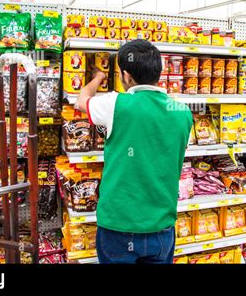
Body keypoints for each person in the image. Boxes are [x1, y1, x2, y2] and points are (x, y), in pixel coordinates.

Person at [75, 39, 193, 264]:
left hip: (118, 226)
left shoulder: (115, 103)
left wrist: (98, 77)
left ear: (126, 75)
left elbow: (82, 102)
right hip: (161, 227)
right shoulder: (183, 112)